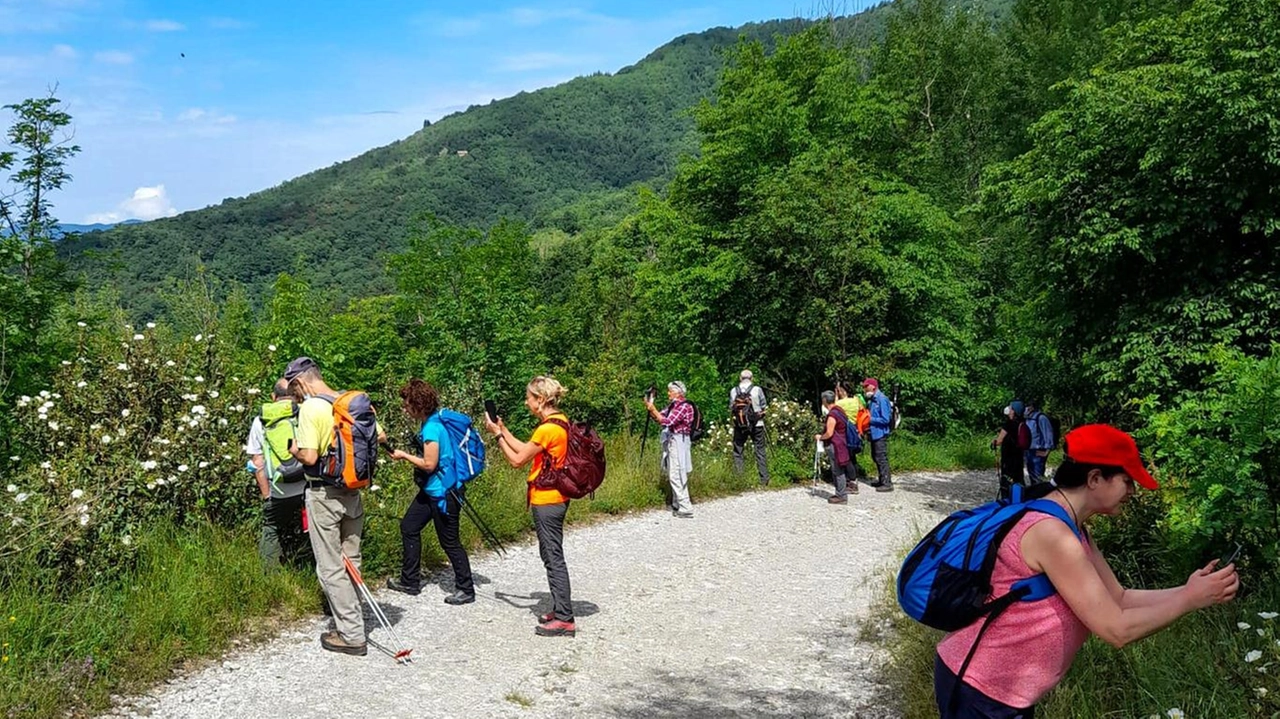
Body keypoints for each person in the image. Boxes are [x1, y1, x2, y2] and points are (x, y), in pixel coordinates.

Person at [934, 424, 1239, 717]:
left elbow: (1118, 598)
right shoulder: (1052, 534)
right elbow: (1116, 629)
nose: (1133, 491)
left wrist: (1189, 590)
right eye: (1127, 480)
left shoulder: (1075, 529)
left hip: (1004, 692)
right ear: (1095, 478)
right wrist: (1190, 600)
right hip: (980, 690)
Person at [285, 356, 384, 657]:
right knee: (351, 559)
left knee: (330, 566)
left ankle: (352, 634)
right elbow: (380, 436)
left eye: (294, 390)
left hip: (323, 495)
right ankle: (353, 619)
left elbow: (310, 457)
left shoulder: (311, 408)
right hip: (352, 491)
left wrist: (294, 450)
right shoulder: (349, 401)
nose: (295, 396)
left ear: (301, 381)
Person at [484, 376, 577, 637]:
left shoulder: (547, 429)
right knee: (551, 555)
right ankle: (560, 610)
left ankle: (565, 619)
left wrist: (497, 436)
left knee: (553, 557)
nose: (526, 402)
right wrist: (503, 430)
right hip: (556, 498)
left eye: (529, 397)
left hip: (547, 501)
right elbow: (526, 449)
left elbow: (516, 460)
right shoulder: (560, 422)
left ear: (540, 399)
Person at [385, 378, 475, 605]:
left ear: (418, 403)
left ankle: (466, 589)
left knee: (450, 542)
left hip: (444, 494)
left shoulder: (432, 428)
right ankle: (409, 581)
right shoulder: (433, 422)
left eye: (407, 404)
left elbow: (429, 464)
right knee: (409, 526)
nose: (404, 408)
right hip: (432, 490)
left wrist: (404, 455)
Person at [244, 378, 310, 571]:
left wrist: (267, 496)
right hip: (308, 485)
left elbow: (258, 463)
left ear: (273, 397)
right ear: (296, 395)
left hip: (279, 489)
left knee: (271, 527)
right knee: (312, 528)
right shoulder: (304, 413)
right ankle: (310, 570)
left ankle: (271, 578)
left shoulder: (261, 420)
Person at [645, 381, 695, 518]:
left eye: (670, 391)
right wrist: (649, 404)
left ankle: (685, 506)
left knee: (677, 473)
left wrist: (653, 409)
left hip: (680, 440)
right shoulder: (673, 406)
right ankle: (677, 503)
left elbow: (668, 422)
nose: (668, 393)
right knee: (674, 470)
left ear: (677, 392)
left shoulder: (684, 406)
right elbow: (660, 417)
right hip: (674, 440)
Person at [816, 391, 857, 504]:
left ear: (824, 401)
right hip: (843, 443)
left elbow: (829, 433)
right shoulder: (840, 410)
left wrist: (820, 437)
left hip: (835, 445)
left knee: (838, 470)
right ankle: (840, 493)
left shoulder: (832, 415)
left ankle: (841, 495)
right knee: (840, 468)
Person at [730, 369, 769, 487]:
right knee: (759, 450)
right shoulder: (757, 390)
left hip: (740, 425)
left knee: (738, 451)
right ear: (751, 378)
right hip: (757, 424)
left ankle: (740, 479)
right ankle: (764, 479)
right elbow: (764, 406)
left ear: (740, 378)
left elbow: (731, 408)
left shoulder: (733, 391)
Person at [992, 401, 1027, 499]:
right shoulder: (1022, 422)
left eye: (1011, 408)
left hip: (1008, 457)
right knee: (1018, 478)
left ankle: (1006, 499)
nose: (1009, 409)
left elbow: (999, 441)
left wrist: (994, 442)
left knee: (1007, 478)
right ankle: (1019, 498)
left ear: (1014, 411)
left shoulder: (1009, 424)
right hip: (1019, 456)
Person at [863, 378, 894, 492]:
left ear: (873, 386)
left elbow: (885, 419)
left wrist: (870, 420)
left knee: (881, 458)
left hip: (881, 433)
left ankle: (887, 483)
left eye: (866, 387)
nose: (864, 389)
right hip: (874, 434)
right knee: (876, 456)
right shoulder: (872, 400)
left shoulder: (881, 399)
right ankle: (882, 480)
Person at [834, 382, 869, 481]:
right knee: (852, 456)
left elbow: (832, 410)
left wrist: (836, 396)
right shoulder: (857, 401)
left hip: (845, 430)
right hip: (855, 428)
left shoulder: (840, 403)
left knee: (846, 456)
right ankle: (855, 477)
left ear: (842, 391)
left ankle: (851, 479)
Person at [1024, 401, 1054, 483]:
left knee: (1038, 477)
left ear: (1032, 407)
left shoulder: (1041, 418)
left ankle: (1039, 494)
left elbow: (1048, 434)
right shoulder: (1027, 419)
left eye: (1027, 406)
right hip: (1029, 451)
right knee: (1031, 475)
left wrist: (1047, 452)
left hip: (1038, 451)